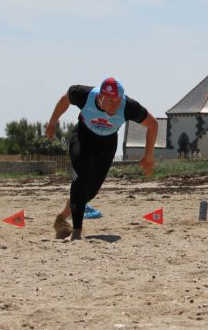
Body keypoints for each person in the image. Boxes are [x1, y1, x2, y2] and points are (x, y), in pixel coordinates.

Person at [47, 77, 158, 241]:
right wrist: (52, 123)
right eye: (111, 101)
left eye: (118, 101)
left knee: (90, 191)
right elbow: (66, 98)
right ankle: (76, 232)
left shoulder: (129, 107)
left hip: (107, 144)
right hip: (82, 137)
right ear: (100, 97)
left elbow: (153, 124)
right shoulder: (85, 95)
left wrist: (148, 155)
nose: (115, 105)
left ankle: (63, 217)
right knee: (81, 177)